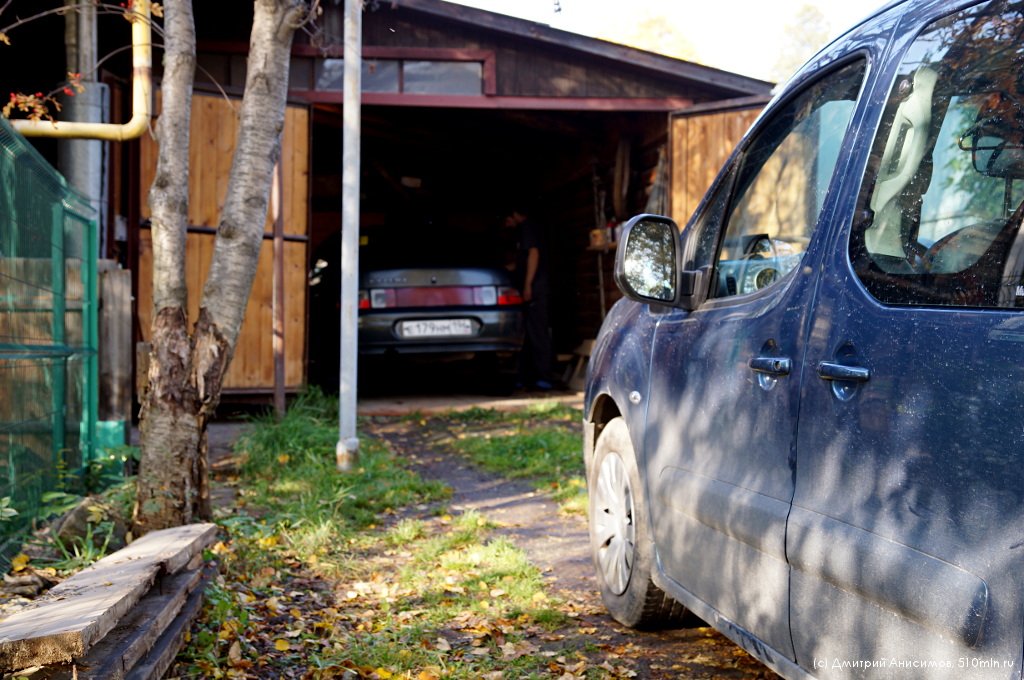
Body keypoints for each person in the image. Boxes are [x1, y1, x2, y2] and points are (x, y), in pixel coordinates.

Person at [504, 206, 554, 390]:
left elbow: (533, 254)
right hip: (534, 288)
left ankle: (544, 378)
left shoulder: (528, 227)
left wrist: (528, 285)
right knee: (528, 335)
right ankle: (525, 377)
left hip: (536, 290)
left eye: (507, 219)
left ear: (516, 213)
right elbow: (523, 260)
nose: (507, 224)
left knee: (538, 333)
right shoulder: (524, 230)